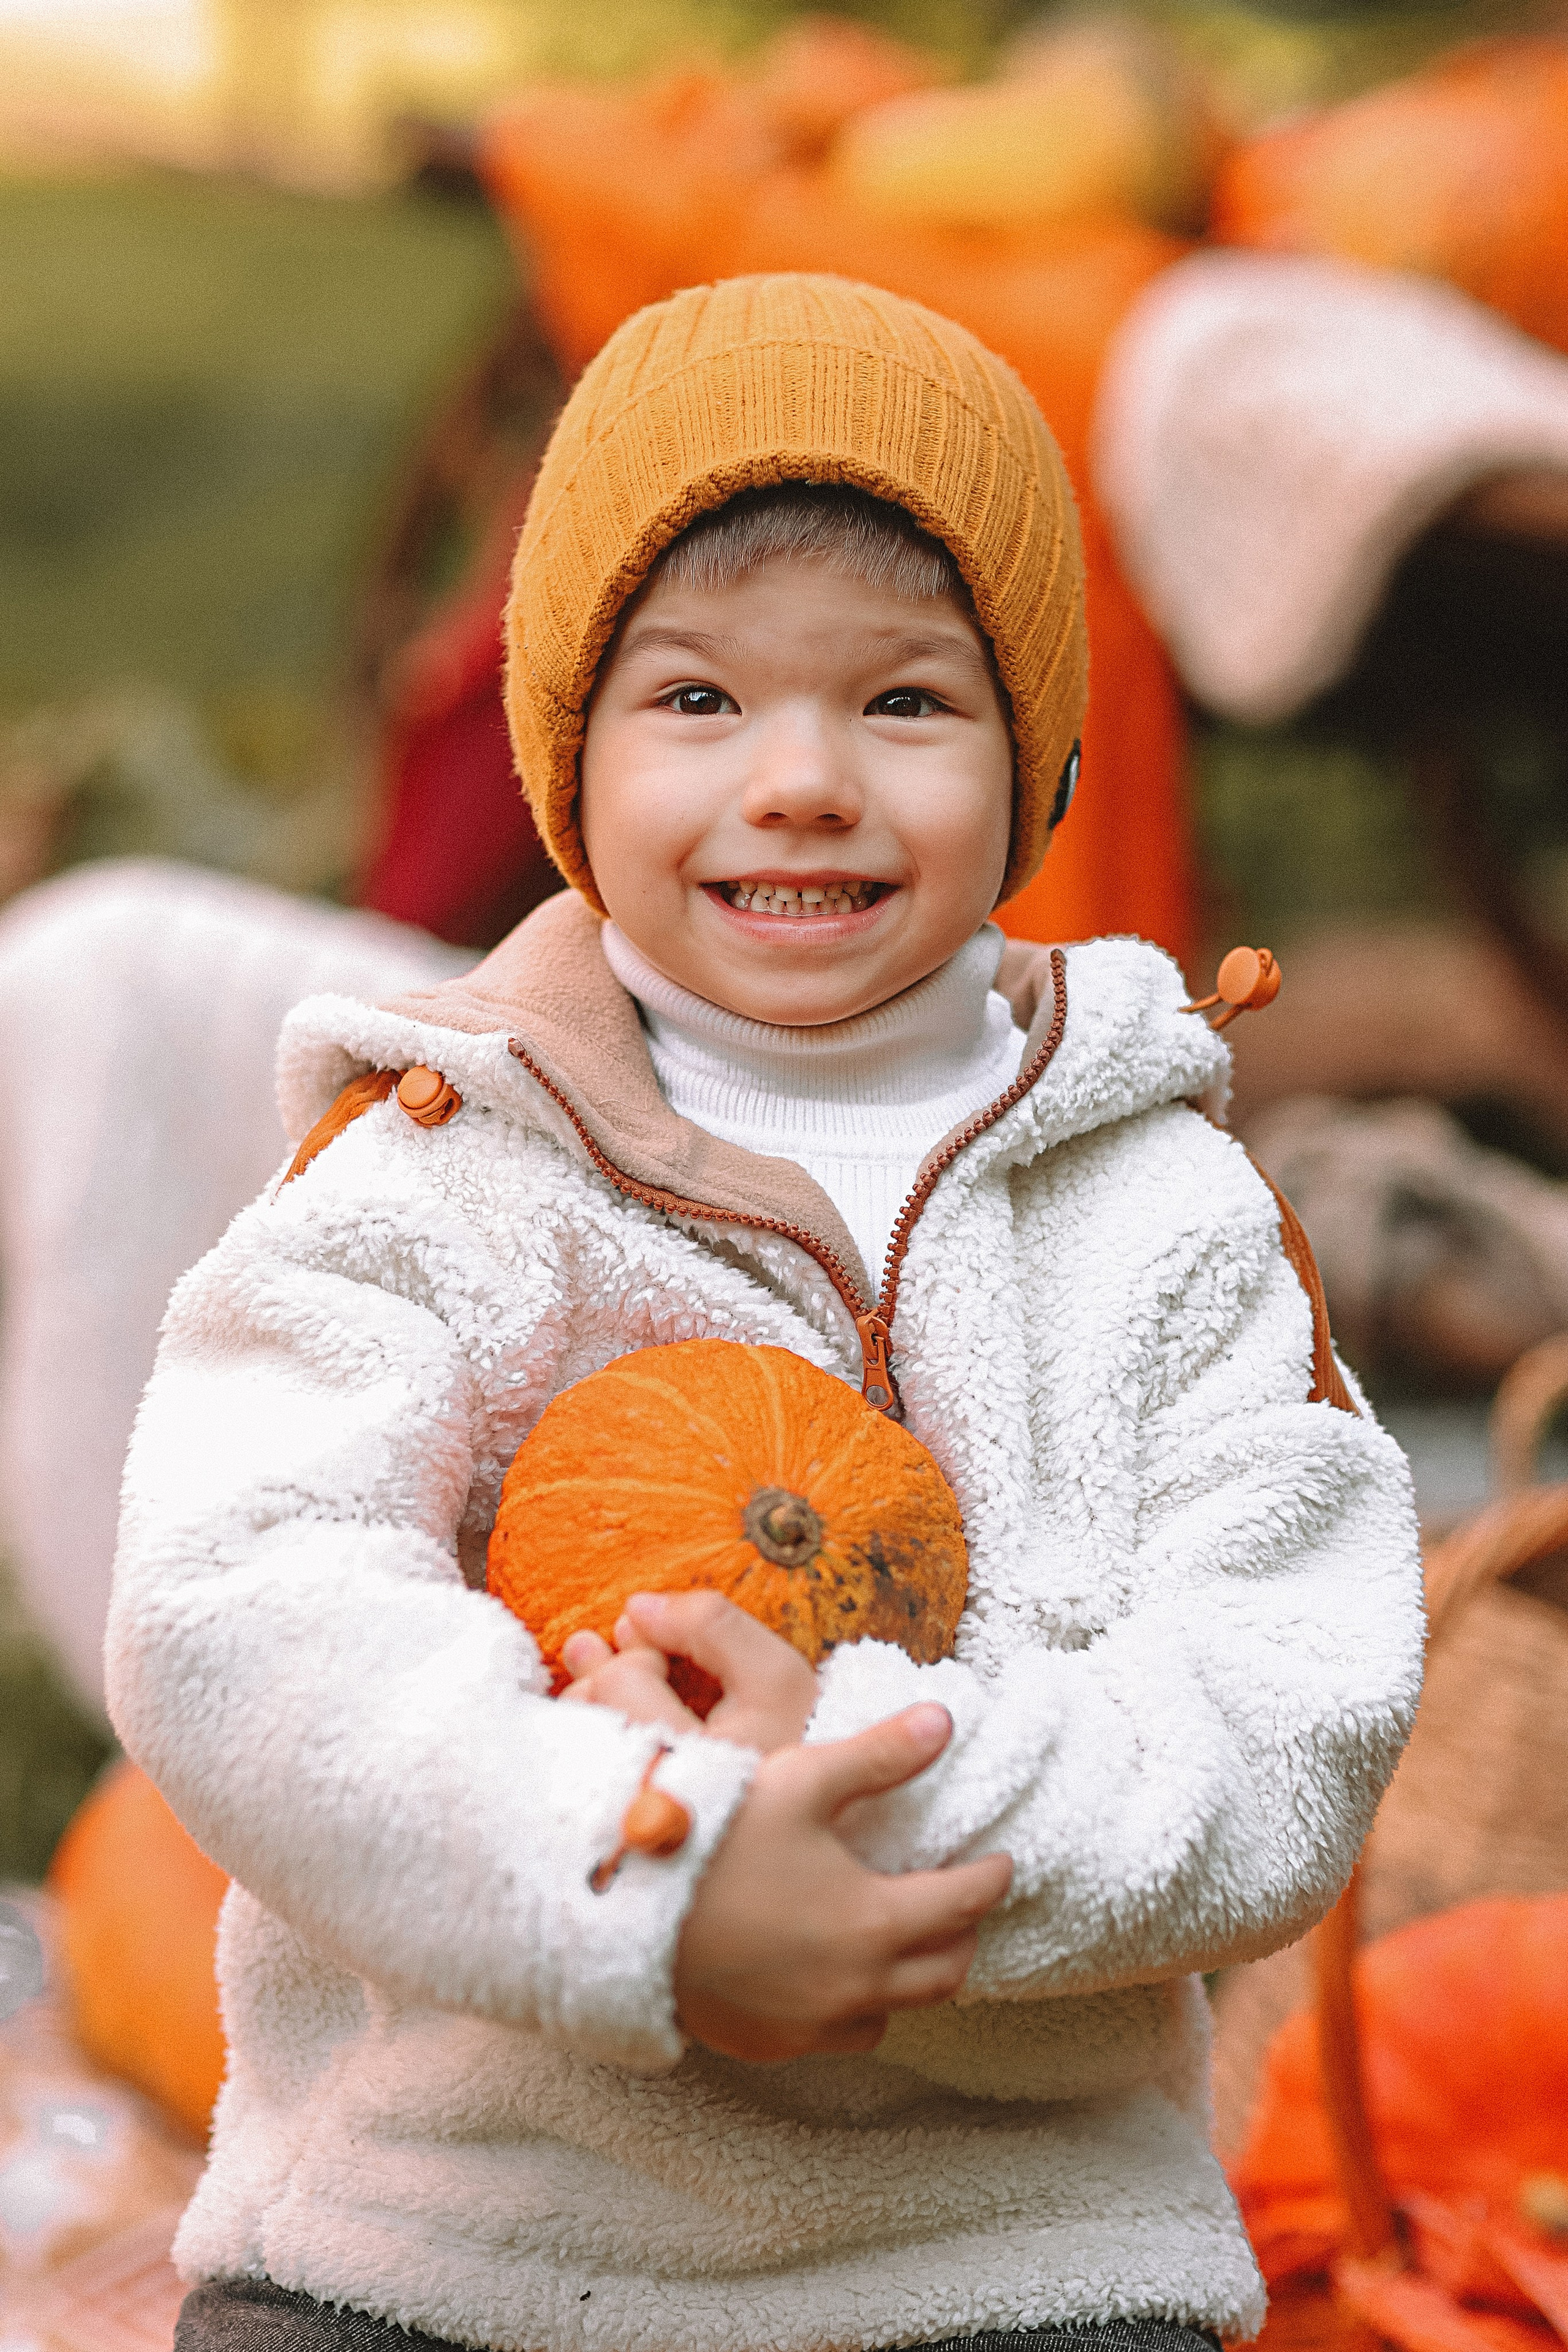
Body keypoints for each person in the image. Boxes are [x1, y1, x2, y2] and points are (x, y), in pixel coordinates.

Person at [108, 274, 1423, 2352]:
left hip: (1007, 2262)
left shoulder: (1162, 1210)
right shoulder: (445, 1159)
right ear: (569, 750)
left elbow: (1287, 1714)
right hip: (448, 2241)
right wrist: (644, 1861)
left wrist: (863, 1793)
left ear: (1040, 762)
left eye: (903, 703)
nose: (802, 780)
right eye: (701, 699)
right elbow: (240, 1611)